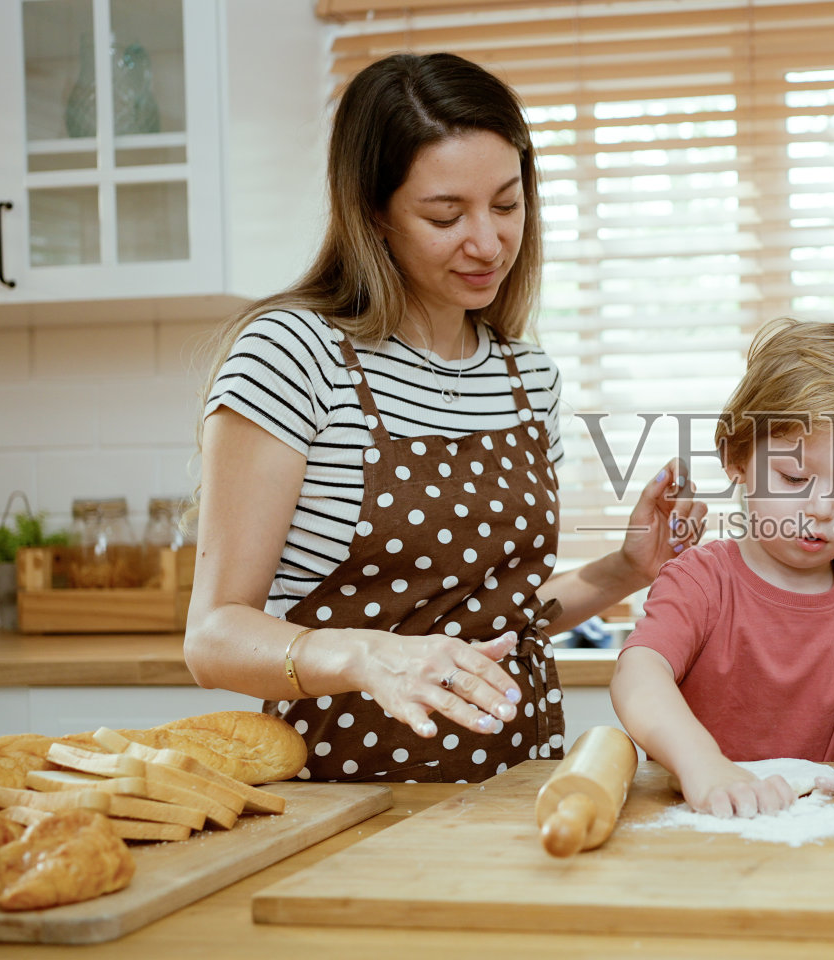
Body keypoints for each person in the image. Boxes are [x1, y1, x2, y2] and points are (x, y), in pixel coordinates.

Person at [184, 53, 705, 783]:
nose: (487, 243)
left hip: (518, 785)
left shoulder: (527, 377)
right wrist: (370, 656)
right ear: (373, 211)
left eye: (506, 205)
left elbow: (498, 620)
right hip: (345, 795)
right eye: (445, 215)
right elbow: (213, 636)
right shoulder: (294, 354)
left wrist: (625, 569)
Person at [610, 319, 834, 818]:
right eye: (793, 477)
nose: (822, 508)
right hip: (708, 827)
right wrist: (703, 765)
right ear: (737, 460)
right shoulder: (699, 581)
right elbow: (638, 674)